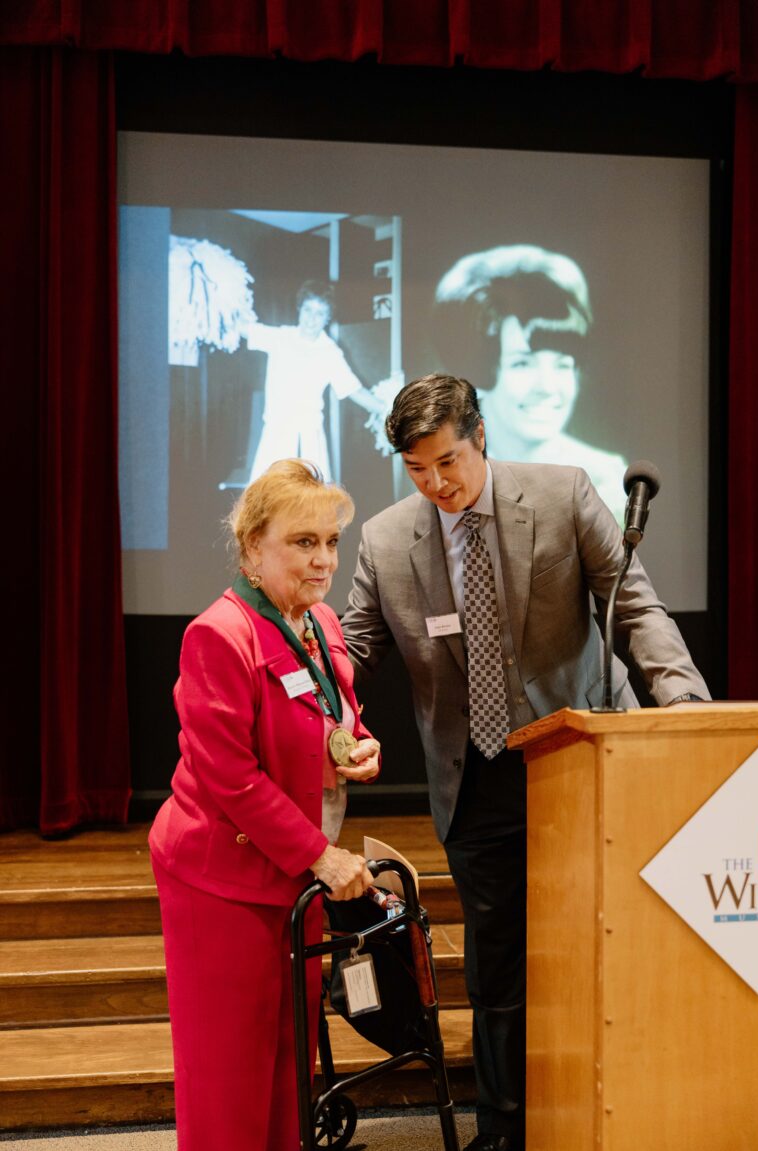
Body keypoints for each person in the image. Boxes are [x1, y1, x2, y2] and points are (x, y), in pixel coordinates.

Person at [341, 373, 709, 1151]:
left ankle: (613, 1111)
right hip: (473, 777)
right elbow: (355, 651)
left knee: (603, 943)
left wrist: (682, 707)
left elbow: (635, 607)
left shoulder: (562, 493)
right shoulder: (386, 540)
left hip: (577, 759)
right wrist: (325, 718)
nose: (437, 484)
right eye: (417, 469)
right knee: (498, 963)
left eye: (448, 461)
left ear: (480, 435)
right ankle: (503, 1129)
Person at [149, 459, 381, 1151]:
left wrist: (360, 745)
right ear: (253, 546)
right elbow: (231, 776)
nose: (324, 559)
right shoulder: (218, 634)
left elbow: (335, 713)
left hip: (294, 873)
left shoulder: (319, 621)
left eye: (331, 541)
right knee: (229, 1070)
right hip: (221, 877)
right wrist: (321, 856)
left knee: (288, 1061)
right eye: (303, 542)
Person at [433, 245, 628, 523]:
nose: (547, 387)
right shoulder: (439, 472)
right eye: (522, 364)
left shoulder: (605, 481)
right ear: (480, 369)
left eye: (563, 365)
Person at [243, 279, 386, 482]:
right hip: (275, 439)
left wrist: (388, 408)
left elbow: (355, 390)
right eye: (308, 310)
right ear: (299, 309)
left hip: (311, 442)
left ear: (327, 318)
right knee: (269, 498)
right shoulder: (280, 338)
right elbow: (241, 328)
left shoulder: (330, 352)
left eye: (320, 313)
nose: (312, 319)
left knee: (312, 498)